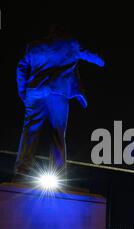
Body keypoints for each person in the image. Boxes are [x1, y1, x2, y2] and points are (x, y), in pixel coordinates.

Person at [13, 25, 105, 182]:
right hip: (58, 94)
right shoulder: (71, 44)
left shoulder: (34, 46)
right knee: (58, 135)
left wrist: (23, 92)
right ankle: (59, 172)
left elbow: (21, 68)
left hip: (35, 94)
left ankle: (22, 168)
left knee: (30, 132)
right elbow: (96, 59)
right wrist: (102, 60)